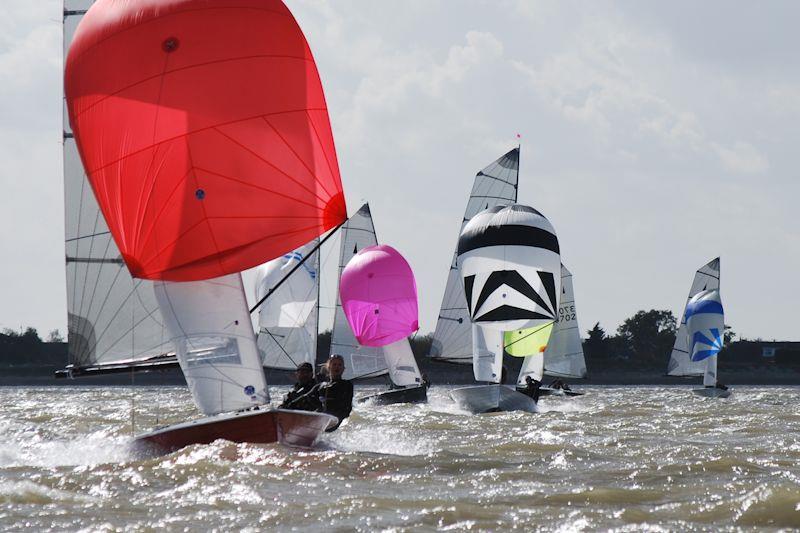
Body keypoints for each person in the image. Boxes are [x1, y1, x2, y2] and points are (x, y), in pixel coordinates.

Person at [316, 354, 354, 431]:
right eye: (334, 364)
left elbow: (346, 407)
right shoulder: (321, 386)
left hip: (337, 421)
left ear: (343, 369)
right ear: (329, 367)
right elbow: (306, 396)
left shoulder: (347, 384)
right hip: (322, 421)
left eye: (340, 365)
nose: (337, 367)